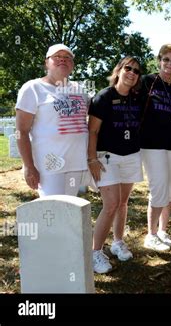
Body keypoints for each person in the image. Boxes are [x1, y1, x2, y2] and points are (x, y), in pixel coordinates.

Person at [88, 56, 143, 274]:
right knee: (110, 205)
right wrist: (92, 159)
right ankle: (95, 252)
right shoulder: (104, 96)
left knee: (122, 203)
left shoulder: (137, 98)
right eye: (128, 68)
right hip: (106, 157)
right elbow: (92, 131)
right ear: (119, 70)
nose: (132, 73)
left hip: (130, 155)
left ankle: (117, 242)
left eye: (136, 71)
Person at [15, 44, 89, 197]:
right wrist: (28, 166)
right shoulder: (33, 88)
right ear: (46, 62)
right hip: (49, 164)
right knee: (54, 211)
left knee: (69, 208)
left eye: (67, 58)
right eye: (57, 57)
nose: (62, 60)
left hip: (76, 163)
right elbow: (21, 131)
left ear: (73, 65)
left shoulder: (79, 89)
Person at [140, 44, 171, 251]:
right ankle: (150, 234)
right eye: (166, 59)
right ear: (159, 60)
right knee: (158, 188)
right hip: (151, 145)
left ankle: (162, 231)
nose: (169, 64)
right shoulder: (147, 82)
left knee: (170, 190)